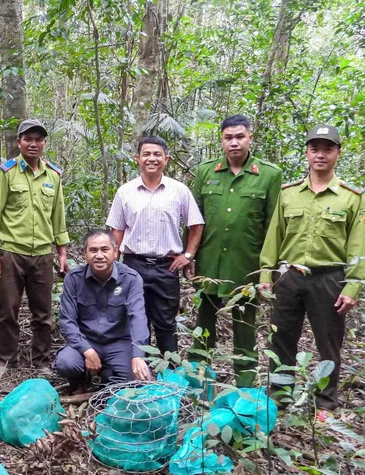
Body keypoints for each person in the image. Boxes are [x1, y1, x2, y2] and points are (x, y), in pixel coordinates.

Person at [259, 125, 365, 416]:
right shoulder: (289, 194)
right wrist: (266, 274)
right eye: (314, 148)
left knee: (328, 344)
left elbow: (358, 247)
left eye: (327, 149)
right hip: (289, 276)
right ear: (306, 152)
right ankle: (279, 398)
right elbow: (274, 237)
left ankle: (325, 404)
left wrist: (353, 286)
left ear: (338, 154)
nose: (320, 155)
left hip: (329, 278)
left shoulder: (351, 198)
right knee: (281, 339)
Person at [187, 114, 282, 387]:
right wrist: (189, 256)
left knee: (245, 329)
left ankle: (245, 388)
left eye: (240, 136)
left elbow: (272, 226)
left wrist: (267, 270)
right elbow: (196, 220)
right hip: (209, 264)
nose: (234, 143)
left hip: (246, 267)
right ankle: (197, 381)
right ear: (221, 140)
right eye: (229, 137)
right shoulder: (206, 171)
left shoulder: (269, 175)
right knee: (203, 326)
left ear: (250, 138)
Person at [106, 136, 204, 355]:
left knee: (166, 322)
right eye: (146, 154)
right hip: (133, 264)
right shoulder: (125, 192)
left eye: (157, 154)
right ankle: (138, 371)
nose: (152, 158)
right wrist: (114, 261)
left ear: (166, 159)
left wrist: (188, 255)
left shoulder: (179, 191)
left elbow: (196, 224)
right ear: (137, 159)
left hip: (166, 267)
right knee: (134, 317)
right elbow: (117, 230)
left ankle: (169, 372)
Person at [0, 119, 70, 370]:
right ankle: (6, 359)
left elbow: (58, 214)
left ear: (44, 143)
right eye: (28, 139)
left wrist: (62, 252)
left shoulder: (53, 176)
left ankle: (42, 361)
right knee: (8, 310)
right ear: (19, 142)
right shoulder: (5, 173)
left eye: (38, 139)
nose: (33, 144)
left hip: (43, 253)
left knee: (43, 313)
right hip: (11, 251)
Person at [55, 229, 152, 388]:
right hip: (87, 340)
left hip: (119, 342)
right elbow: (67, 321)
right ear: (84, 253)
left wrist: (138, 355)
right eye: (93, 250)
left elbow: (138, 318)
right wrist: (87, 350)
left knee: (136, 379)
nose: (99, 255)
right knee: (66, 363)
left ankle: (106, 374)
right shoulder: (74, 279)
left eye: (104, 250)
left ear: (115, 252)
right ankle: (81, 380)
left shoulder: (130, 279)